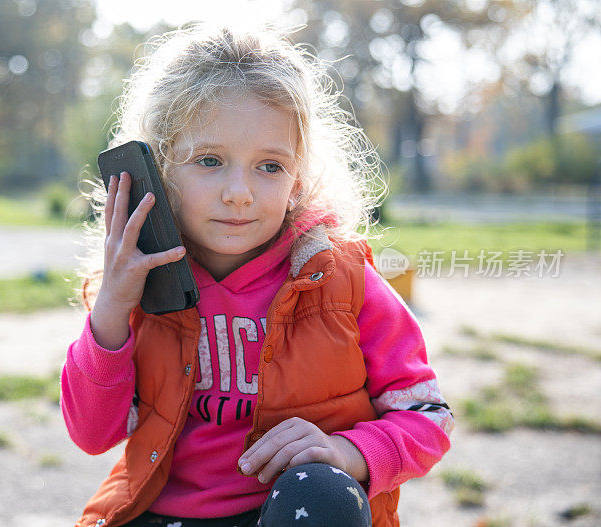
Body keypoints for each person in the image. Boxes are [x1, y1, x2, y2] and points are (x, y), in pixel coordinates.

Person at [61, 23, 454, 527]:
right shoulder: (139, 285)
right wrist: (112, 309)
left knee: (326, 494)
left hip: (292, 512)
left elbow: (429, 417)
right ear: (159, 168)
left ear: (298, 178)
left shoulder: (344, 280)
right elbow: (92, 434)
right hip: (163, 514)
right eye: (209, 160)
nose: (239, 193)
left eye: (270, 166)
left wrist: (347, 453)